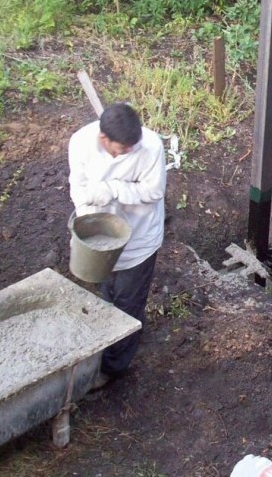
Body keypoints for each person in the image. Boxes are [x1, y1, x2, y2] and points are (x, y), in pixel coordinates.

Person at [68, 102, 166, 388]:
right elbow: (78, 185)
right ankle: (117, 337)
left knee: (127, 303)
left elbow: (154, 191)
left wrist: (111, 190)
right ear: (104, 139)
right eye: (123, 148)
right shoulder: (81, 143)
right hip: (102, 239)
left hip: (139, 239)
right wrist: (86, 213)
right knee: (107, 292)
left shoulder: (150, 146)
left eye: (133, 146)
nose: (130, 152)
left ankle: (112, 369)